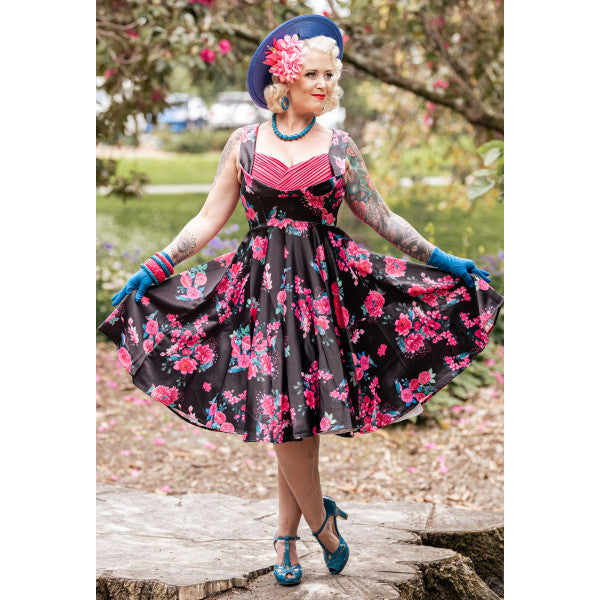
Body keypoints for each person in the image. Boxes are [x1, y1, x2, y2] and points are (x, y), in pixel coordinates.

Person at [99, 14, 503, 587]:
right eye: (312, 73)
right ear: (283, 77)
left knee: (298, 415)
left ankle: (288, 535)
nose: (323, 84)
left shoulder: (339, 147)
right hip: (261, 295)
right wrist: (155, 267)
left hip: (323, 295)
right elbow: (208, 218)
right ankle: (320, 525)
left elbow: (382, 217)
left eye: (329, 75)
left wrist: (443, 260)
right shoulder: (244, 144)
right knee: (283, 415)